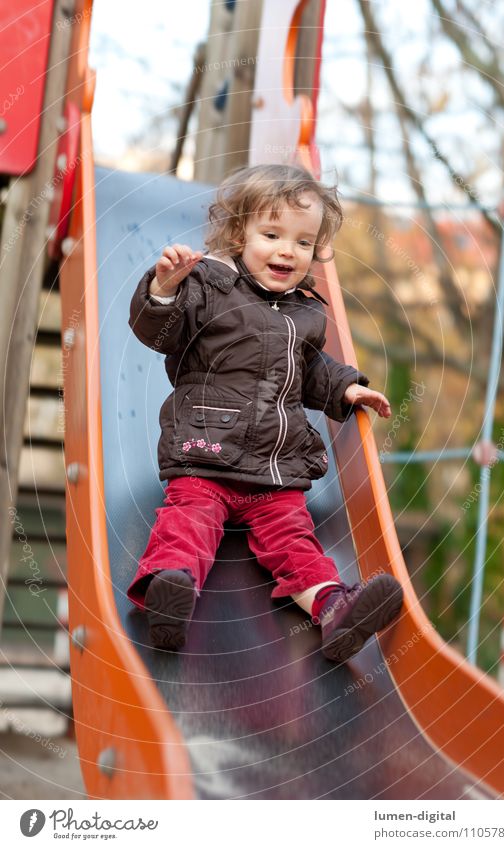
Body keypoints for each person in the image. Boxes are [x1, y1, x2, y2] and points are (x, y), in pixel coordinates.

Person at [127, 163, 403, 662]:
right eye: (271, 234)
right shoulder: (208, 288)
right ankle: (169, 593)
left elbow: (313, 370)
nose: (286, 251)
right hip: (206, 458)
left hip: (276, 477)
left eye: (301, 242)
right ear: (239, 234)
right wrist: (163, 289)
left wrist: (347, 391)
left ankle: (333, 608)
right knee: (187, 521)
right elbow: (157, 333)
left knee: (295, 542)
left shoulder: (305, 312)